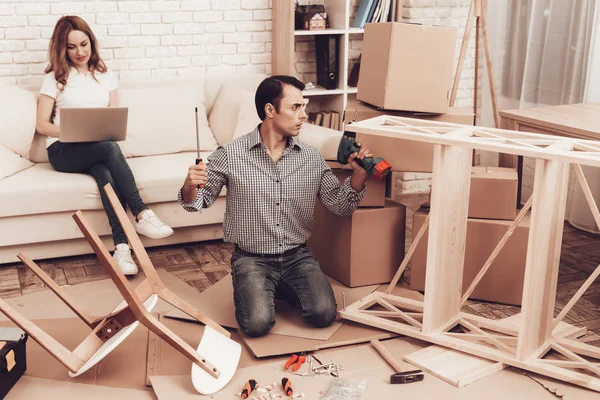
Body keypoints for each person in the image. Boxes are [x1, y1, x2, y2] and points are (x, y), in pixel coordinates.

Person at [179, 75, 372, 337]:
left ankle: (277, 286)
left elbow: (340, 206)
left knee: (324, 314)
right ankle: (261, 285)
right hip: (251, 258)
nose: (304, 115)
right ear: (270, 110)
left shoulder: (311, 157)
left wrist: (358, 178)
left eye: (303, 107)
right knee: (257, 325)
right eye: (296, 107)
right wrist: (190, 186)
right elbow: (197, 204)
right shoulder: (230, 155)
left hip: (297, 255)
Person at [36, 16, 173, 275]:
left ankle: (122, 247)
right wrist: (74, 131)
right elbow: (42, 125)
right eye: (71, 47)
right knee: (109, 150)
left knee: (106, 174)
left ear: (91, 42)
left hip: (95, 149)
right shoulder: (55, 78)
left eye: (83, 44)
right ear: (61, 49)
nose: (80, 52)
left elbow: (113, 116)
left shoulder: (106, 75)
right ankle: (141, 213)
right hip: (63, 151)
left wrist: (98, 132)